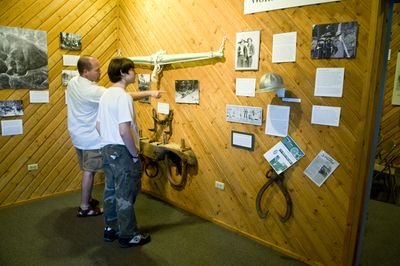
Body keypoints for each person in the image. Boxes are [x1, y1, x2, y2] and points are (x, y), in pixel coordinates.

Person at [67, 56, 161, 218]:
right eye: (96, 70)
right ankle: (84, 206)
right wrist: (151, 92)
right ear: (85, 72)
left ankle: (89, 201)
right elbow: (124, 108)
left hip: (77, 135)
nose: (100, 72)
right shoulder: (95, 91)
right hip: (90, 139)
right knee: (91, 172)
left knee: (88, 169)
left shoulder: (74, 82)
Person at [96, 57, 150, 247]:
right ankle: (128, 235)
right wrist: (135, 155)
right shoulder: (123, 96)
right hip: (121, 151)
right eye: (132, 70)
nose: (135, 73)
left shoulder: (105, 95)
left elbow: (98, 125)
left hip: (106, 148)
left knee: (110, 189)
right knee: (126, 193)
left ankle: (111, 229)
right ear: (123, 73)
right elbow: (124, 130)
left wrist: (108, 142)